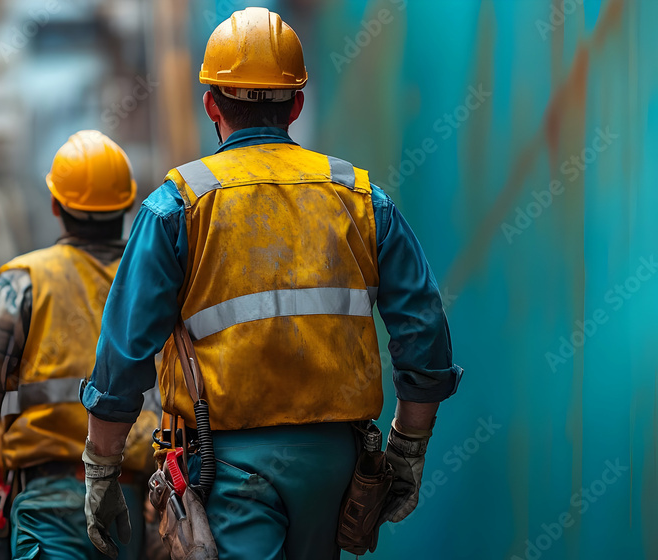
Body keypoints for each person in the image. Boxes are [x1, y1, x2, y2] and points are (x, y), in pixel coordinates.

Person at [78, 7, 463, 560]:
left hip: (228, 466)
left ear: (211, 102)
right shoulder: (358, 197)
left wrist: (102, 470)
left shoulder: (178, 207)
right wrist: (408, 446)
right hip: (338, 466)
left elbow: (122, 354)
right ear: (297, 104)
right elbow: (424, 331)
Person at [0, 130, 157, 560]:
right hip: (130, 503)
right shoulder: (152, 285)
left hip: (48, 504)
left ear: (55, 205)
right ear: (126, 206)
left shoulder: (22, 280)